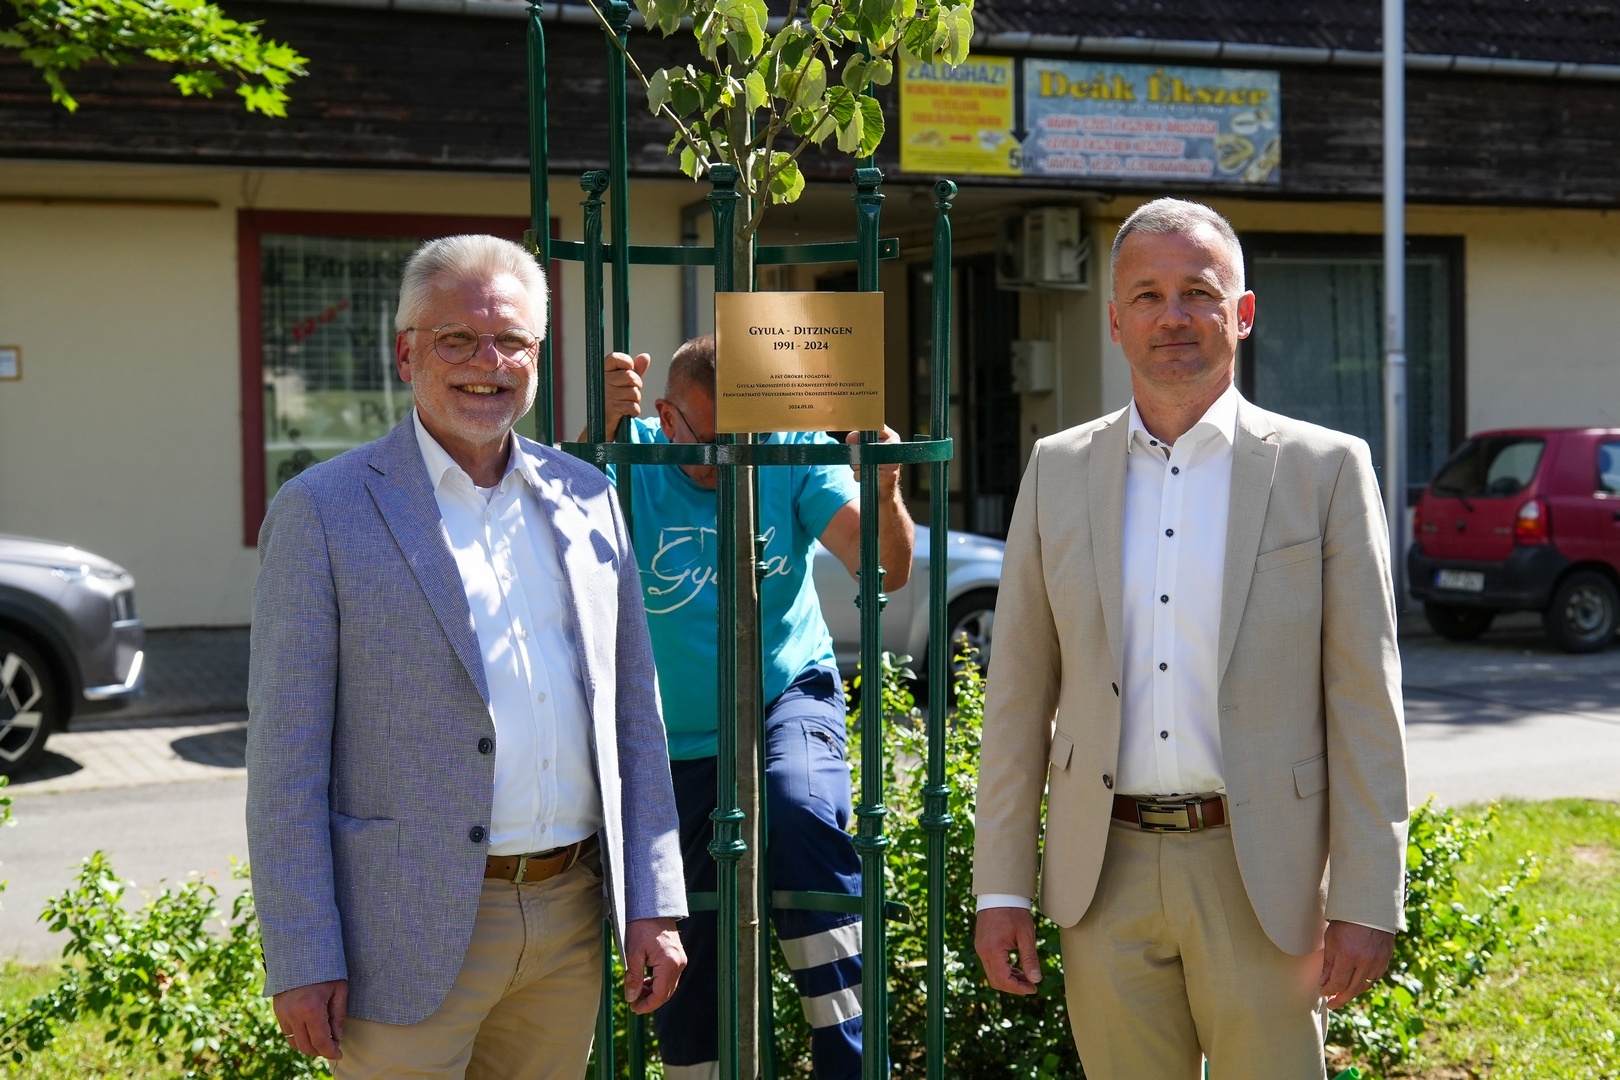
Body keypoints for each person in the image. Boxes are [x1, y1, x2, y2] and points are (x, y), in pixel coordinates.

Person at [972, 198, 1409, 1079]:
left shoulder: (1325, 470)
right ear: (1115, 321)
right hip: (1105, 876)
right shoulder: (1057, 472)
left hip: (1264, 874)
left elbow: (1366, 699)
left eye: (1198, 292)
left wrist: (1368, 896)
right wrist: (1002, 887)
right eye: (1147, 295)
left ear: (1241, 313)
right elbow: (1017, 694)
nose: (1172, 315)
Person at [247, 234, 687, 1080]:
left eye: (511, 340)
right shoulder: (323, 511)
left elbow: (635, 714)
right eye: (457, 339)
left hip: (568, 918)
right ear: (406, 353)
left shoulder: (588, 497)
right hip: (400, 933)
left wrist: (655, 901)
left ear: (536, 357)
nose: (488, 362)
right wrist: (302, 952)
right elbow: (284, 758)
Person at [587, 336, 914, 1079]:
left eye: (744, 439)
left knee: (800, 813)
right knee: (683, 918)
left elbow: (883, 566)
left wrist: (886, 483)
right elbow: (548, 535)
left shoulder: (787, 446)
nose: (732, 459)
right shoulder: (629, 456)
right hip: (672, 733)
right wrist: (594, 435)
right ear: (666, 415)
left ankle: (850, 1058)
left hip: (782, 691)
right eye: (712, 442)